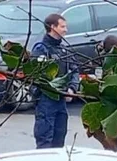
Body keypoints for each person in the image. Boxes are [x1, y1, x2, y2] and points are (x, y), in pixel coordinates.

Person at [31, 14, 80, 149]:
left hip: (61, 101)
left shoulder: (64, 50)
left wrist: (72, 89)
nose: (66, 30)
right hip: (46, 101)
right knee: (45, 142)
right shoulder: (41, 49)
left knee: (59, 140)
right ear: (52, 27)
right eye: (62, 26)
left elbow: (75, 71)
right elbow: (37, 76)